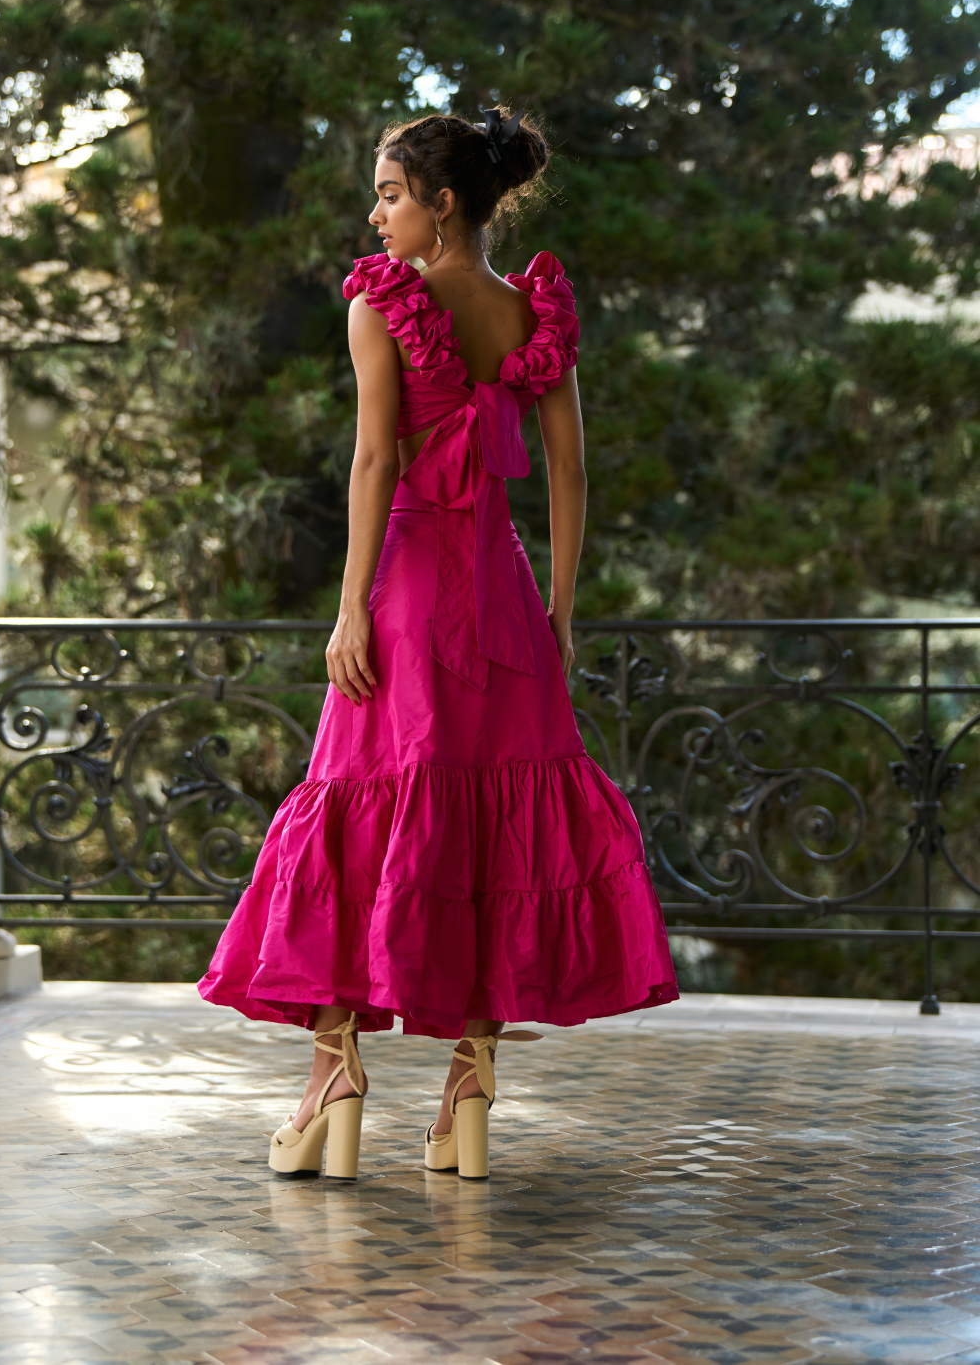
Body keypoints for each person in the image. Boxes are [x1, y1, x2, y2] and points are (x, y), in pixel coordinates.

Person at [198, 105, 678, 1181]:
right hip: (505, 601)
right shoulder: (530, 315)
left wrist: (349, 607)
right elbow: (568, 476)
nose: (376, 217)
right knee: (490, 832)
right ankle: (468, 1083)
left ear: (441, 202)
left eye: (390, 193)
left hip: (410, 593)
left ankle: (334, 1076)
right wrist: (558, 612)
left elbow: (374, 466)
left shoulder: (384, 306)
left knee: (360, 820)